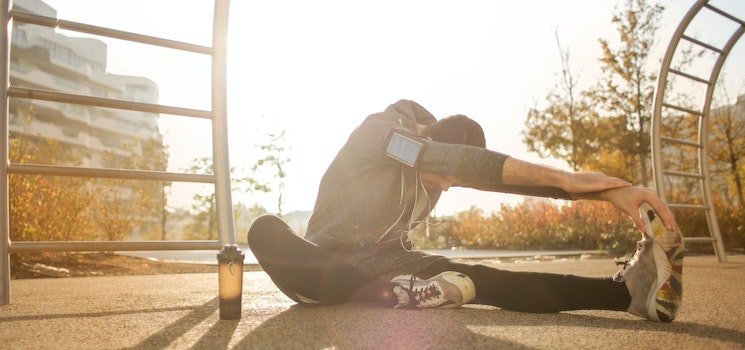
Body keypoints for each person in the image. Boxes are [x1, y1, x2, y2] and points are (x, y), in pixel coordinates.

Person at [248, 99, 684, 322]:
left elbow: (494, 176)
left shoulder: (440, 162)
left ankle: (627, 295)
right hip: (321, 270)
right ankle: (397, 296)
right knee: (264, 229)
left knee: (485, 277)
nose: (448, 186)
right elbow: (449, 162)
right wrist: (568, 177)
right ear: (426, 137)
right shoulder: (382, 134)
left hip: (393, 265)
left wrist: (608, 193)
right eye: (446, 176)